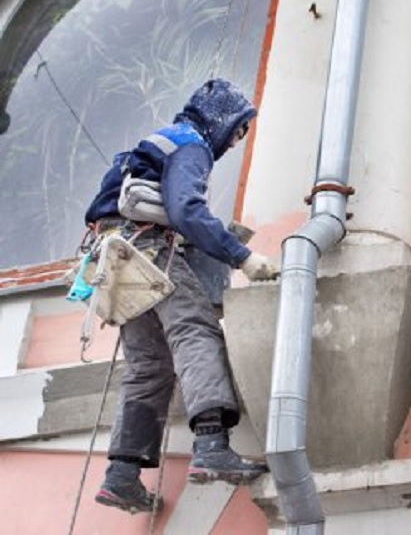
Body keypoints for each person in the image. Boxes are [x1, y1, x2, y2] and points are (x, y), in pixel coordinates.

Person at [85, 79, 281, 513]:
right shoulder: (191, 144)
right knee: (195, 330)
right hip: (147, 248)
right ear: (220, 119)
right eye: (238, 130)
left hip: (112, 259)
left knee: (148, 365)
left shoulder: (155, 144)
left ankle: (121, 475)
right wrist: (242, 257)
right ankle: (211, 445)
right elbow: (186, 209)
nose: (235, 141)